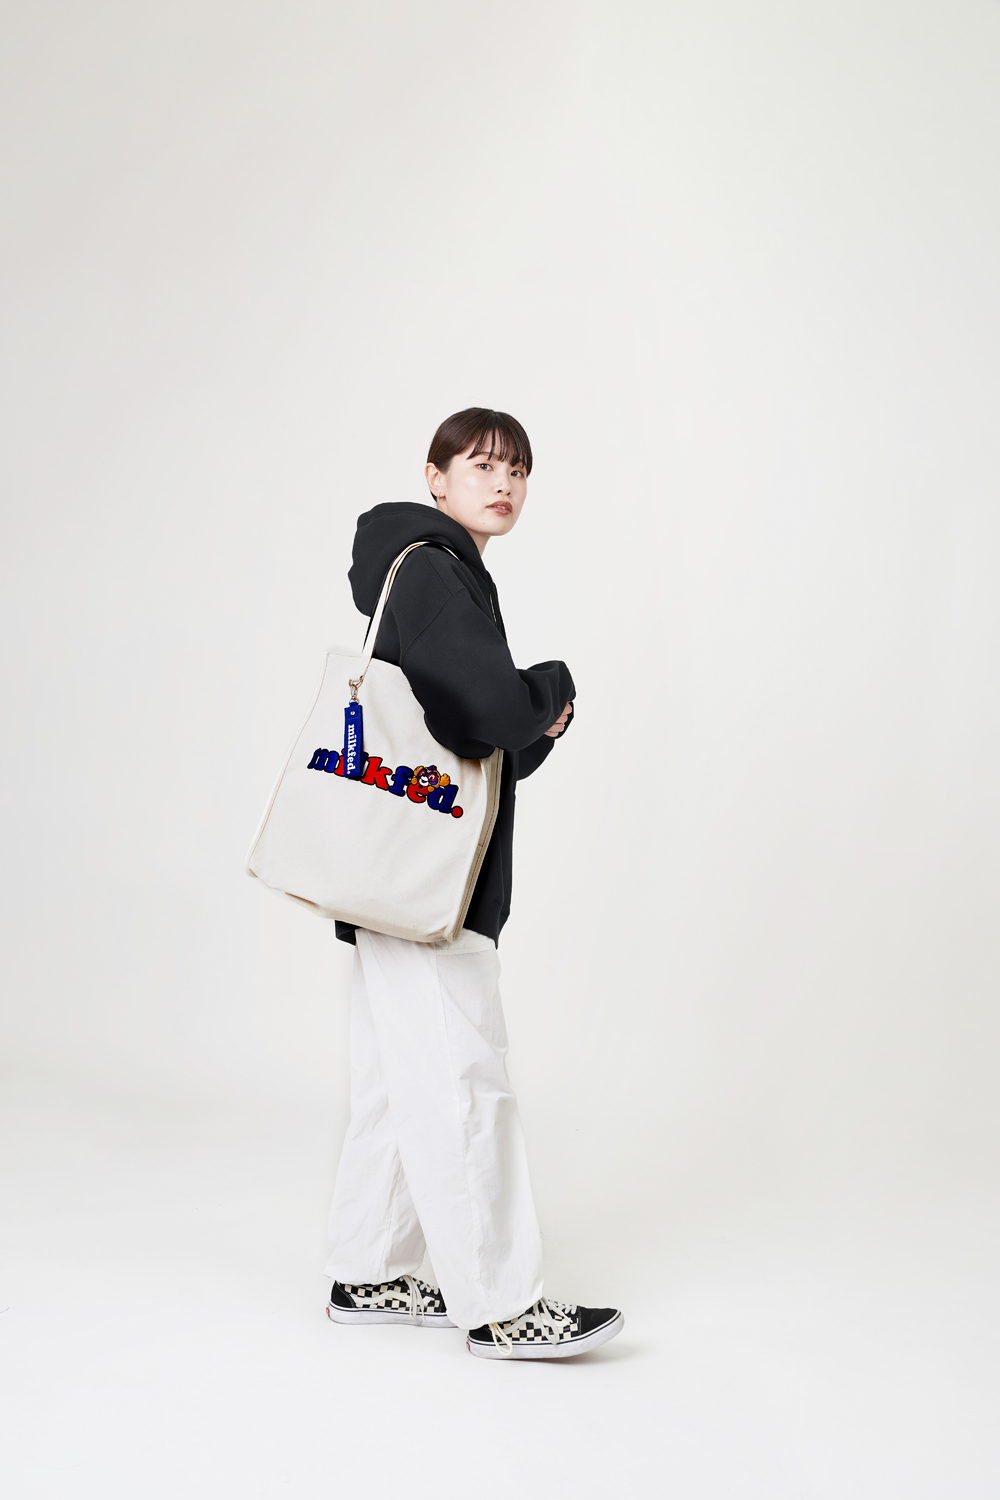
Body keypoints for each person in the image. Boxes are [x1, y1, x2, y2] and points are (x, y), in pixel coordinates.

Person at [323, 408, 623, 1359]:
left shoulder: (424, 571)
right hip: (429, 891)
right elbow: (491, 708)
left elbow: (465, 740)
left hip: (395, 874)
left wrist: (528, 722)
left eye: (518, 470)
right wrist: (550, 687)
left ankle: (368, 1270)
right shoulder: (436, 569)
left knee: (394, 1080)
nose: (504, 483)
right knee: (463, 1078)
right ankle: (501, 1305)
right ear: (435, 476)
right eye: (482, 464)